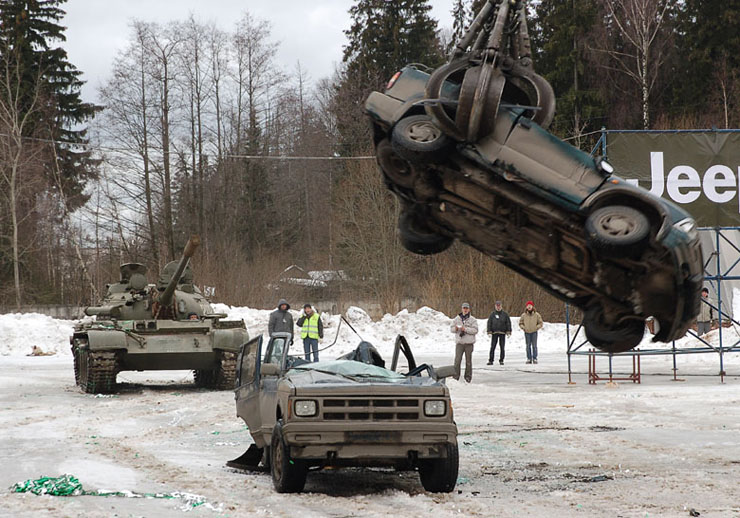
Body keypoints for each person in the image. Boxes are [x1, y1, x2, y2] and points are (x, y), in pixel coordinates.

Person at [450, 302, 478, 383]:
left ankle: (468, 377)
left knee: (468, 361)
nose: (465, 310)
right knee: (457, 360)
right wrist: (455, 329)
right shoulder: (457, 319)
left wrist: (465, 329)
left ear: (469, 309)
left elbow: (475, 330)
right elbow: (451, 329)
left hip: (469, 344)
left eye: (466, 308)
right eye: (464, 308)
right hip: (460, 343)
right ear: (462, 309)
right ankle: (456, 376)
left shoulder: (473, 320)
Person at [486, 300, 511, 365]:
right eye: (497, 306)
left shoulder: (505, 314)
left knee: (502, 347)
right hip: (494, 333)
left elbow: (508, 323)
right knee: (493, 347)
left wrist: (508, 331)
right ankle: (491, 360)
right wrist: (489, 331)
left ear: (501, 306)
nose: (498, 307)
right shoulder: (492, 314)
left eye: (499, 306)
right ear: (495, 306)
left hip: (502, 333)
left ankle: (501, 360)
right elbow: (489, 323)